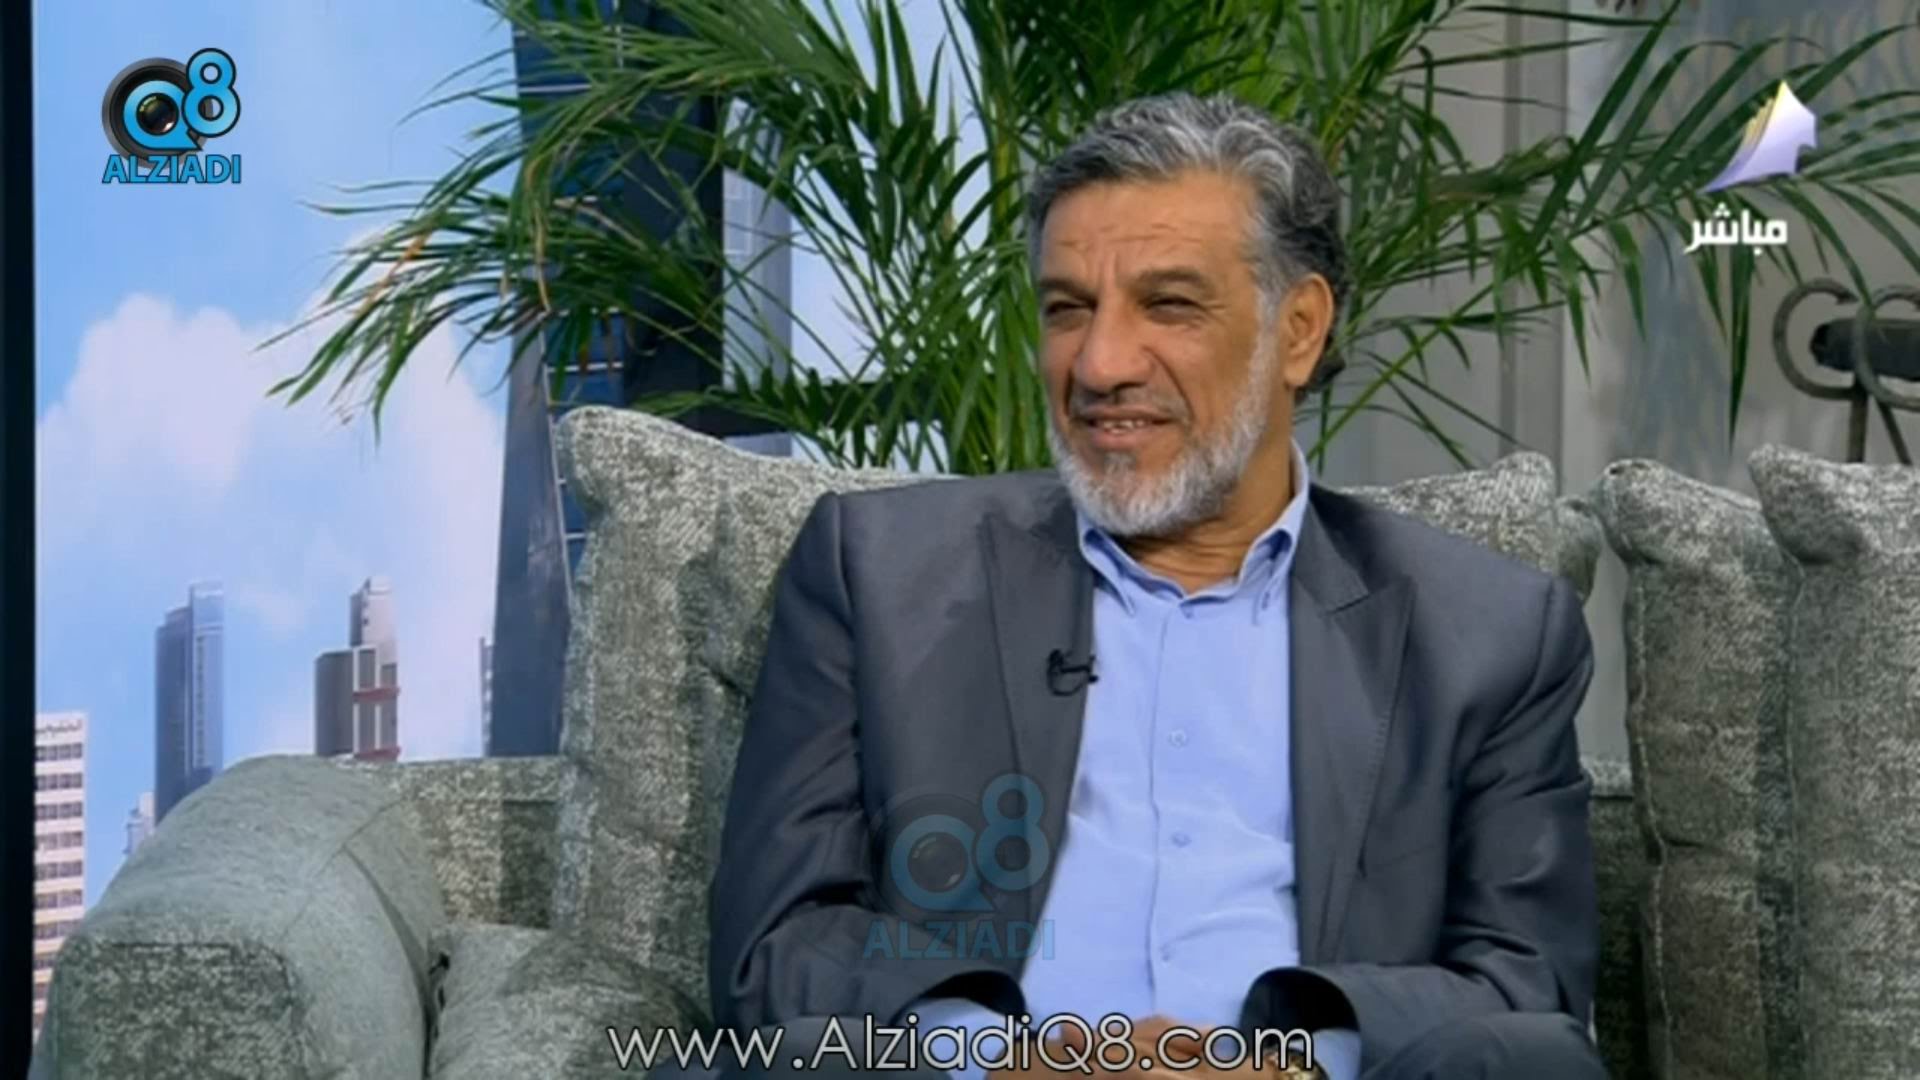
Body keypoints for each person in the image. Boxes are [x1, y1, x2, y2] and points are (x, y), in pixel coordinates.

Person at [698, 92, 1603, 1080]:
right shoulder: (875, 572)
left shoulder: (1489, 635)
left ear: (1298, 330)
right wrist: (1000, 1059)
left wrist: (1282, 1070)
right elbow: (776, 950)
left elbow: (1525, 986)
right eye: (1067, 309)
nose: (1100, 364)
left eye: (1168, 305)